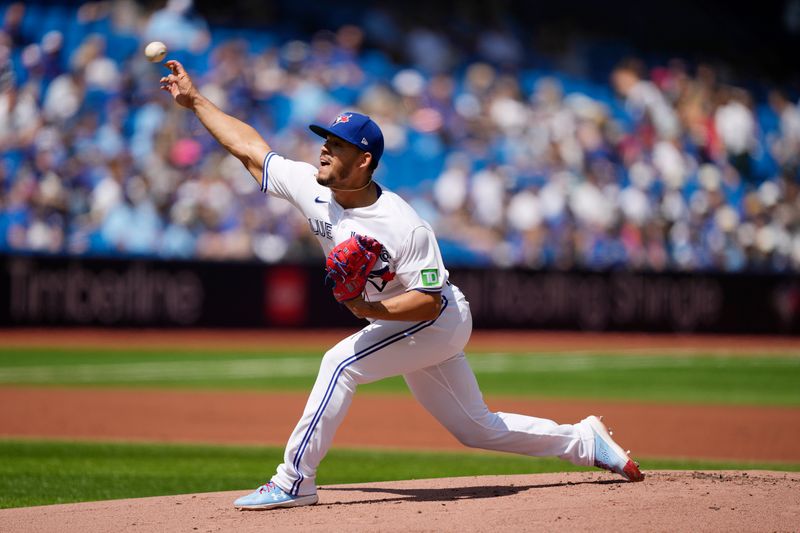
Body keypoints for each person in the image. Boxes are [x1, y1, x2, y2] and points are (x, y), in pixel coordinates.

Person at [159, 59, 644, 511]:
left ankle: (293, 480)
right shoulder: (314, 189)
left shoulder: (403, 224)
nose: (324, 148)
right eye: (325, 140)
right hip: (412, 322)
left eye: (338, 144)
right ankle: (584, 441)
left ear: (365, 161)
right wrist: (196, 101)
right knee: (477, 429)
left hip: (435, 319)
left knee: (340, 363)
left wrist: (363, 310)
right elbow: (250, 148)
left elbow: (428, 302)